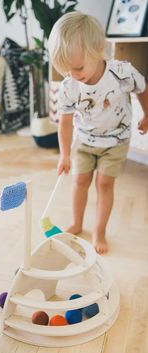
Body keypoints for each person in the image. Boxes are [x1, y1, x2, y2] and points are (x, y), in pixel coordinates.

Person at [48, 12, 148, 254]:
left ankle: (99, 230)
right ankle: (77, 222)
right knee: (80, 181)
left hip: (116, 140)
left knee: (104, 184)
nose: (73, 74)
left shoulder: (122, 72)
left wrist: (146, 114)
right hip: (84, 140)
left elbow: (143, 88)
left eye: (78, 67)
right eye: (66, 70)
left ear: (98, 49)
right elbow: (65, 122)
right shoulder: (69, 86)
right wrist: (64, 155)